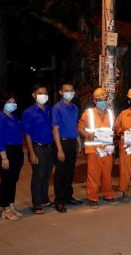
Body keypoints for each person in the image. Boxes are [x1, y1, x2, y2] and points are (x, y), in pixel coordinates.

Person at [78, 88, 117, 209]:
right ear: (95, 101)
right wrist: (88, 135)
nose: (102, 102)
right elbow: (80, 128)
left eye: (104, 99)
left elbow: (113, 130)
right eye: (99, 100)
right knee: (93, 174)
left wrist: (112, 135)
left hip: (107, 149)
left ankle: (108, 194)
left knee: (107, 174)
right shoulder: (87, 113)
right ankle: (92, 197)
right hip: (93, 149)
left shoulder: (111, 114)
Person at [22, 84, 55, 214]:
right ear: (34, 95)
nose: (43, 95)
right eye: (40, 93)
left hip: (49, 147)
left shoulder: (49, 109)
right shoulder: (29, 112)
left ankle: (45, 199)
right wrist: (31, 152)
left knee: (46, 175)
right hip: (38, 147)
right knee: (38, 176)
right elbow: (27, 134)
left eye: (45, 93)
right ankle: (36, 204)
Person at [52, 82, 83, 213]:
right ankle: (59, 201)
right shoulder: (57, 108)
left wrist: (79, 143)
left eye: (71, 90)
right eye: (66, 90)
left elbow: (75, 127)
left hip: (72, 143)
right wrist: (59, 149)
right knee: (60, 173)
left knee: (70, 172)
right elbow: (55, 130)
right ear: (61, 93)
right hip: (62, 143)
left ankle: (68, 197)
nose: (69, 92)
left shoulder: (74, 108)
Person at [0, 92, 24, 220]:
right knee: (6, 181)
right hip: (6, 152)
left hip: (17, 150)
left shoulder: (14, 117)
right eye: (9, 102)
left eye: (13, 102)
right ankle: (5, 209)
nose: (12, 104)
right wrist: (4, 158)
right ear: (2, 104)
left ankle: (11, 205)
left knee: (13, 180)